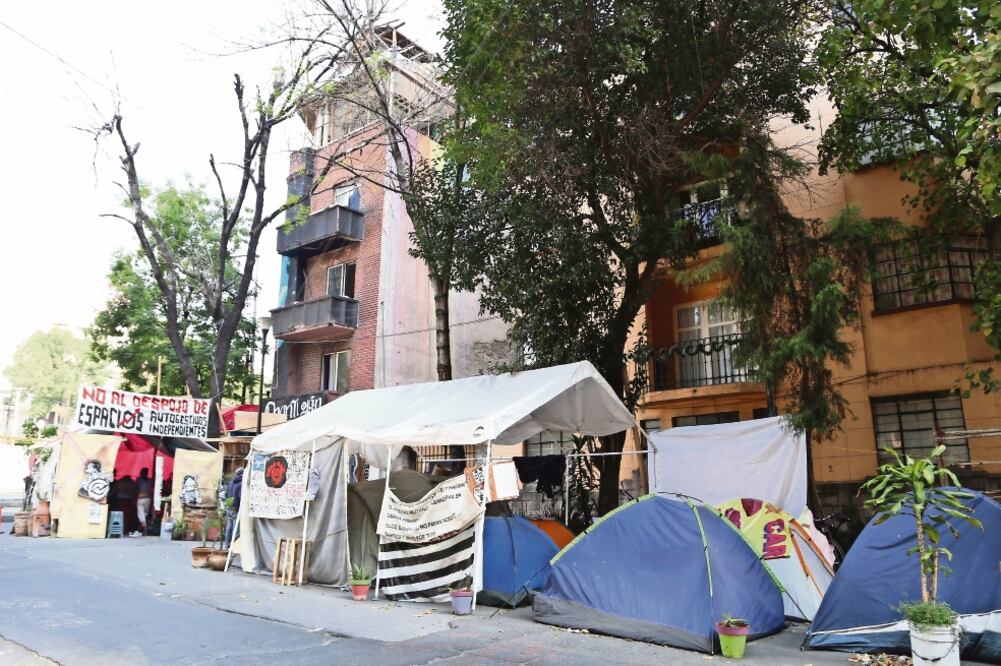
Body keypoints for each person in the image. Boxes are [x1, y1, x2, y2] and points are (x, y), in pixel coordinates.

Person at [223, 467, 243, 549]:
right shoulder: (241, 484)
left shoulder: (230, 483)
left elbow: (226, 495)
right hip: (236, 509)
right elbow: (240, 497)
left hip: (229, 508)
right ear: (242, 474)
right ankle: (233, 548)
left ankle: (226, 546)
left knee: (229, 528)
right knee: (236, 530)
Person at [135, 468, 154, 536]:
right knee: (145, 513)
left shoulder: (139, 480)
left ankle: (144, 526)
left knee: (141, 513)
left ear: (141, 473)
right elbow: (152, 489)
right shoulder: (150, 480)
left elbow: (136, 488)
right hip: (148, 498)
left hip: (140, 498)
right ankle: (142, 528)